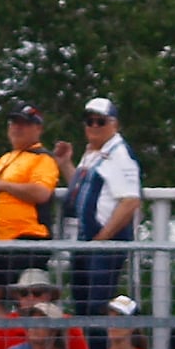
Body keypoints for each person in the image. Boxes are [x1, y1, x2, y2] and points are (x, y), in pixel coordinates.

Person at [0, 105, 61, 295]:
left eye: (24, 124)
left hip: (28, 238)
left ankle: (29, 324)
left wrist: (3, 185)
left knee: (27, 296)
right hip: (2, 242)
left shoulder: (43, 159)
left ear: (38, 128)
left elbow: (41, 192)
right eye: (13, 123)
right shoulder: (7, 158)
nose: (17, 128)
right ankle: (12, 326)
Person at [64, 94, 145, 263]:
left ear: (114, 124)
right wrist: (64, 163)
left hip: (105, 243)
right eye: (89, 121)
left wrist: (102, 239)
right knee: (80, 289)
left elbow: (130, 201)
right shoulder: (92, 152)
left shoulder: (119, 154)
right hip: (84, 239)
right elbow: (80, 187)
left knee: (100, 289)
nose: (94, 126)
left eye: (100, 121)